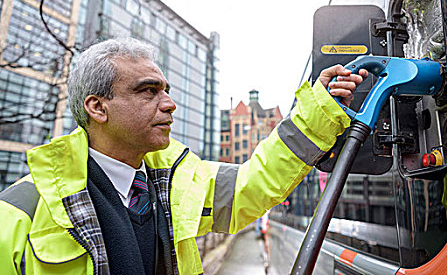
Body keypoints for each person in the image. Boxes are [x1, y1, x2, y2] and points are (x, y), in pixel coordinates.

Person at [0, 38, 367, 275]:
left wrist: (320, 111)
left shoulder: (180, 181)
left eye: (167, 90)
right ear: (97, 107)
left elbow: (254, 183)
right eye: (148, 91)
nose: (170, 104)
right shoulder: (20, 210)